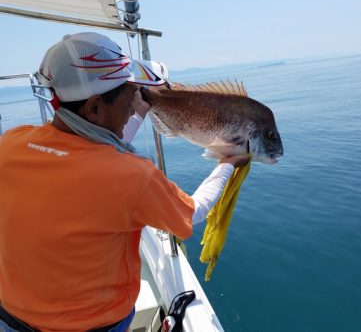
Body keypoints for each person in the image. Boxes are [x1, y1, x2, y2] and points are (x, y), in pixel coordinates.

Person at [0, 32, 249, 332]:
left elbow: (92, 155)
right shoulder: (132, 177)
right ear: (94, 107)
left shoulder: (12, 142)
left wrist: (143, 108)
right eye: (129, 96)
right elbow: (192, 212)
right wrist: (227, 163)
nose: (133, 106)